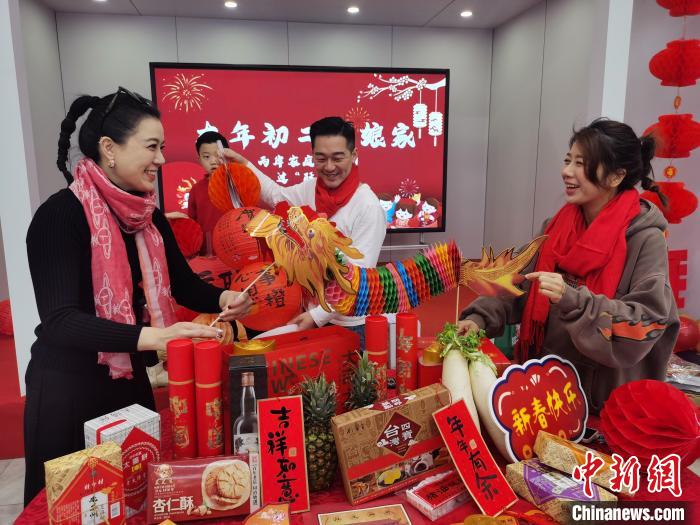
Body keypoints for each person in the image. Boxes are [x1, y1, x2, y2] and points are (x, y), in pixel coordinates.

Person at [24, 87, 251, 505]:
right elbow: (60, 321)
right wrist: (156, 337)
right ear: (109, 149)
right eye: (152, 147)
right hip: (68, 389)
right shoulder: (59, 215)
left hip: (129, 382)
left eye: (162, 147)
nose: (161, 159)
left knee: (137, 499)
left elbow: (183, 285)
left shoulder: (148, 217)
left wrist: (224, 299)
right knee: (74, 506)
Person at [457, 118, 679, 414]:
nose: (567, 172)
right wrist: (479, 318)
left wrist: (572, 298)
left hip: (604, 402)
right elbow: (519, 282)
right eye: (567, 160)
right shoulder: (557, 227)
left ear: (616, 176)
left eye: (581, 163)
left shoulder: (645, 239)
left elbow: (645, 323)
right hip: (548, 390)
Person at [224, 116, 386, 348]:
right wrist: (244, 164)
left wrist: (317, 316)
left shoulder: (367, 206)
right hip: (310, 312)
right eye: (321, 158)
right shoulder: (310, 189)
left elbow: (358, 279)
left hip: (351, 322)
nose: (329, 167)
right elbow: (276, 195)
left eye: (337, 158)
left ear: (354, 155)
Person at [185, 131, 228, 242]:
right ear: (199, 160)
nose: (213, 161)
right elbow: (192, 224)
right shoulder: (196, 190)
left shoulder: (238, 183)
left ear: (227, 155)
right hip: (207, 248)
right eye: (207, 157)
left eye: (218, 155)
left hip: (236, 245)